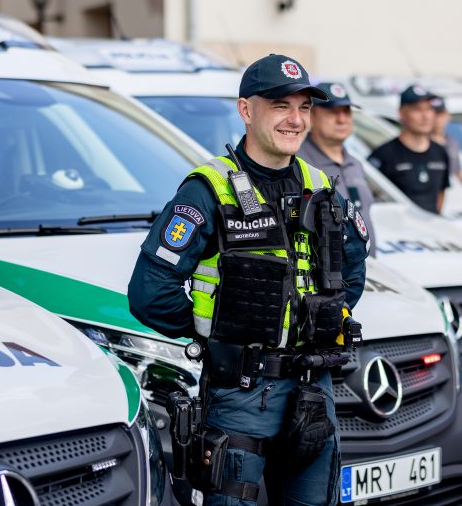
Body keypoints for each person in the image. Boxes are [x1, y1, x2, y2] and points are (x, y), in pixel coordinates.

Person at [128, 54, 369, 505]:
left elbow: (353, 267)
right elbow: (149, 292)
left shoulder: (323, 186)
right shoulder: (208, 189)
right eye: (281, 106)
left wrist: (321, 321)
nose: (295, 120)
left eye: (304, 107)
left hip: (314, 391)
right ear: (246, 110)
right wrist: (220, 334)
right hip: (240, 395)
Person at [297, 81, 376, 251]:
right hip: (327, 272)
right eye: (333, 112)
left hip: (367, 271)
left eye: (346, 112)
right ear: (312, 116)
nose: (342, 119)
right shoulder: (298, 163)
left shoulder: (355, 164)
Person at [368, 85, 450, 214]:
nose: (425, 116)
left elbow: (440, 195)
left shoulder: (440, 152)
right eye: (417, 109)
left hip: (433, 229)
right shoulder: (383, 155)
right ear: (401, 113)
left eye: (429, 109)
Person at [430, 96, 462, 182]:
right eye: (434, 114)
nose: (437, 119)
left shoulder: (453, 142)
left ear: (448, 115)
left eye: (441, 114)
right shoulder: (421, 143)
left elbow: (458, 172)